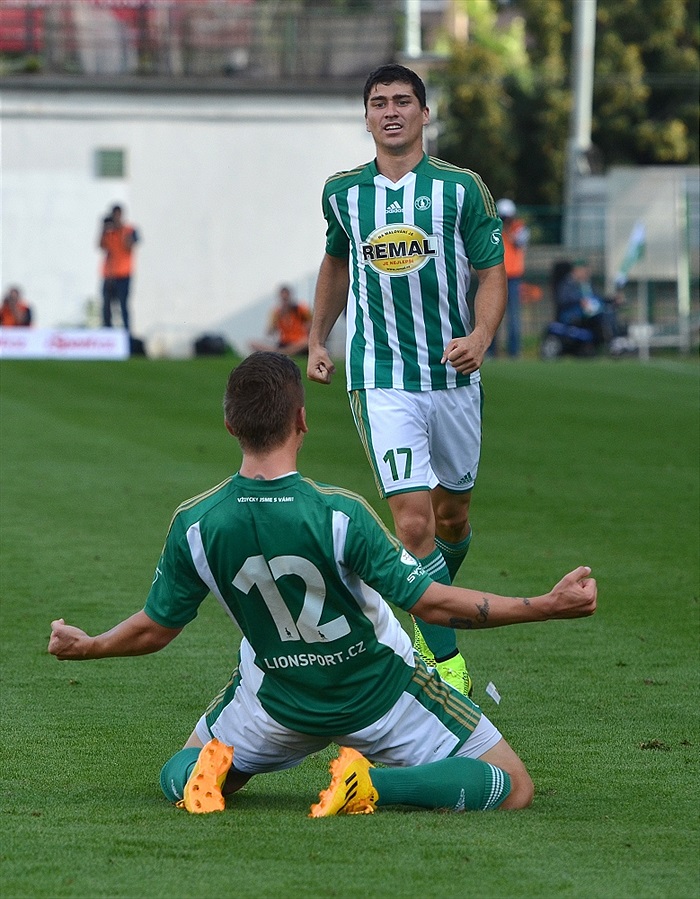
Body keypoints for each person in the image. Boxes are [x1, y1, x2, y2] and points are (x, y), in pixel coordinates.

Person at [48, 352, 597, 817]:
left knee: (180, 769)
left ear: (231, 426)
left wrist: (90, 645)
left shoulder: (197, 523)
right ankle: (373, 784)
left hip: (274, 707)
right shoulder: (339, 515)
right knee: (510, 785)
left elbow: (154, 630)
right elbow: (431, 604)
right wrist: (546, 605)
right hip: (379, 695)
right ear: (302, 421)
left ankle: (210, 771)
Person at [306, 64, 508, 696]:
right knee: (413, 523)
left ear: (425, 113)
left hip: (452, 376)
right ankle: (445, 665)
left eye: (402, 101)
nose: (390, 111)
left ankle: (425, 600)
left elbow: (491, 272)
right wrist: (318, 338)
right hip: (380, 376)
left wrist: (479, 340)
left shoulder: (460, 189)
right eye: (377, 103)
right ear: (366, 117)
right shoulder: (343, 193)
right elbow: (336, 266)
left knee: (453, 517)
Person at [489, 198, 529, 358]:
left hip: (513, 277)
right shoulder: (493, 227)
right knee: (491, 314)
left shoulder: (520, 228)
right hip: (496, 276)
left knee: (514, 316)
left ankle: (514, 351)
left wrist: (507, 229)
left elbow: (520, 242)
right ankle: (491, 350)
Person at [99, 204, 139, 334]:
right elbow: (101, 246)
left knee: (123, 306)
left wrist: (120, 230)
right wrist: (103, 229)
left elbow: (130, 245)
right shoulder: (109, 232)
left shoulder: (129, 230)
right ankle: (107, 334)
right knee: (106, 307)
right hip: (109, 275)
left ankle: (127, 335)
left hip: (124, 274)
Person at [554, 259, 610, 346]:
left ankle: (609, 341)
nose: (585, 273)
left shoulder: (588, 285)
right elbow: (563, 299)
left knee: (608, 313)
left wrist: (611, 300)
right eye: (583, 271)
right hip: (573, 314)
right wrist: (579, 300)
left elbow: (598, 298)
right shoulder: (567, 284)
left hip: (590, 312)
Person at [249, 285, 311, 356]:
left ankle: (283, 353)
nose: (285, 301)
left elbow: (310, 327)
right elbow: (269, 332)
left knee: (306, 341)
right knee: (253, 343)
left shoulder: (300, 309)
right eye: (283, 299)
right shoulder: (276, 312)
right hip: (283, 343)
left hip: (297, 342)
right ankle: (283, 352)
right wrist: (275, 319)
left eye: (286, 298)